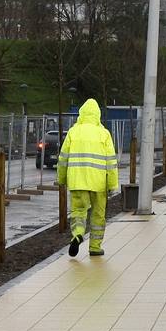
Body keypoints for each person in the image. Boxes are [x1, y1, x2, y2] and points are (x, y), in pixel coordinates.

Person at [56, 98, 119, 258]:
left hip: (77, 181)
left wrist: (62, 179)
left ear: (81, 114)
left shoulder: (73, 132)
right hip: (98, 183)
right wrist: (112, 184)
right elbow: (111, 163)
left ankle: (77, 234)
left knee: (78, 211)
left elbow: (63, 159)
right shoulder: (104, 133)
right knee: (98, 214)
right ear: (97, 115)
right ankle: (95, 247)